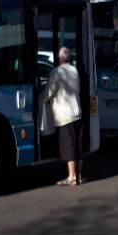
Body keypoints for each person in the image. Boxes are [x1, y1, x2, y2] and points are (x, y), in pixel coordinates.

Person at [42, 46, 84, 185]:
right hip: (77, 112)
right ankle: (78, 175)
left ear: (60, 58)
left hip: (65, 116)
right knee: (78, 147)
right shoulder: (74, 70)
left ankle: (71, 177)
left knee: (69, 147)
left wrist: (41, 99)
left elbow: (50, 92)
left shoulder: (57, 72)